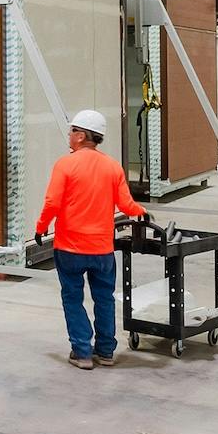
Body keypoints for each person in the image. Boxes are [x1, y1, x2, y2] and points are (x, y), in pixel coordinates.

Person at [33, 108, 146, 369]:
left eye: (72, 130)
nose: (69, 135)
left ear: (81, 136)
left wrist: (40, 228)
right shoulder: (112, 166)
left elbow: (52, 202)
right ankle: (106, 352)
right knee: (104, 299)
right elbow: (127, 204)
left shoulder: (65, 164)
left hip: (70, 248)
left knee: (72, 298)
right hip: (102, 250)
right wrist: (142, 213)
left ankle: (82, 352)